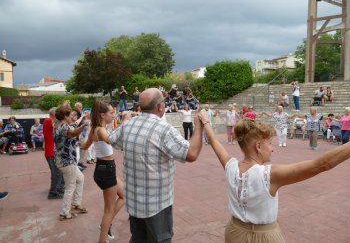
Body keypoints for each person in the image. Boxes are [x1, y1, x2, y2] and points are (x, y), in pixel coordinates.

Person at [198, 115, 350, 243]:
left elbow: (214, 141)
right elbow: (322, 164)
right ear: (258, 146)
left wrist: (205, 122)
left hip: (234, 232)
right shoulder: (270, 174)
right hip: (265, 237)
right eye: (269, 144)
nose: (272, 148)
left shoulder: (230, 166)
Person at [109, 88, 204, 243]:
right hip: (157, 204)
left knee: (138, 238)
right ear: (160, 107)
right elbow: (191, 154)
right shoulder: (163, 129)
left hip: (134, 202)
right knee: (159, 239)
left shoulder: (129, 125)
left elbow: (112, 139)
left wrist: (126, 119)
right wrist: (199, 126)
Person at [81, 100, 124, 243]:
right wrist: (125, 122)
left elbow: (84, 146)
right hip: (106, 170)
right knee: (108, 210)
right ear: (102, 115)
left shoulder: (95, 129)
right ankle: (103, 236)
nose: (114, 115)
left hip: (102, 169)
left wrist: (88, 132)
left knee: (125, 195)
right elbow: (111, 140)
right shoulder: (100, 129)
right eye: (111, 113)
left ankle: (106, 225)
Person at [54, 105, 89, 220]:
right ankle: (64, 213)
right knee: (70, 186)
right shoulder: (64, 127)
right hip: (66, 161)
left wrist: (81, 120)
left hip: (67, 161)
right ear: (65, 116)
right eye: (70, 115)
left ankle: (76, 204)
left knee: (80, 179)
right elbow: (73, 133)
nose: (72, 117)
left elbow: (73, 127)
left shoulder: (59, 124)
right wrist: (84, 125)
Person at [43, 107, 65, 199]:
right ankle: (53, 192)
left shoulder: (50, 121)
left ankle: (59, 189)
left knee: (60, 171)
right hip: (51, 151)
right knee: (56, 172)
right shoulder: (48, 120)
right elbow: (57, 125)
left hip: (53, 151)